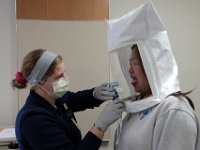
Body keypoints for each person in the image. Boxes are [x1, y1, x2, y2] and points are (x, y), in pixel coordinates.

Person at [107, 1, 200, 150]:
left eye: (135, 63)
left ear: (153, 66)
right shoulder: (139, 104)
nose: (129, 70)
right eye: (129, 63)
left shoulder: (173, 111)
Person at [11, 49, 124, 150]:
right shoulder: (33, 119)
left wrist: (95, 94)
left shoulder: (55, 98)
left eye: (65, 72)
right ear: (40, 81)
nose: (65, 79)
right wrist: (100, 126)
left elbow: (76, 99)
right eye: (59, 76)